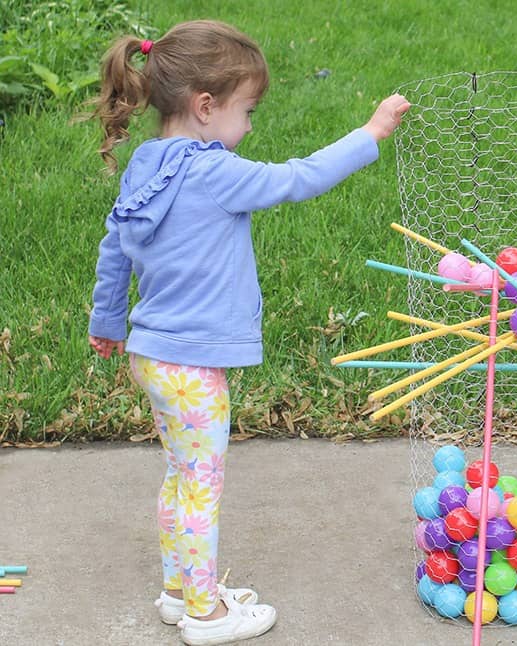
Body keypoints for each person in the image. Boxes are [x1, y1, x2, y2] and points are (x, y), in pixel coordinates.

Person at [85, 19, 409, 645]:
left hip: (153, 355)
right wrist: (370, 133)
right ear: (205, 107)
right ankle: (205, 614)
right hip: (193, 364)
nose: (250, 127)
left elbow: (113, 249)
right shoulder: (214, 172)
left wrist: (106, 321)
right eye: (247, 111)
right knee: (201, 485)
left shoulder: (145, 165)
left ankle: (180, 592)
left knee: (182, 476)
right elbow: (296, 178)